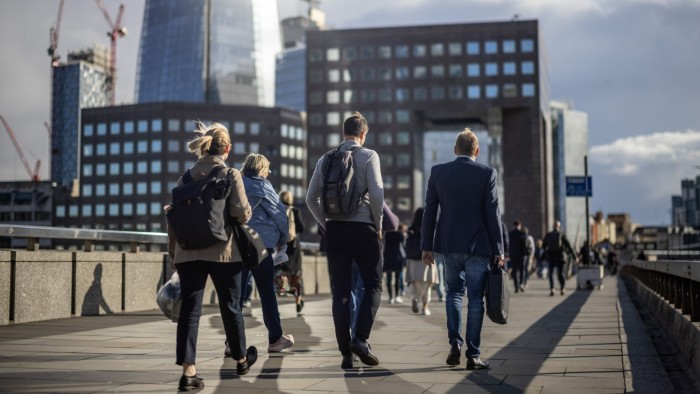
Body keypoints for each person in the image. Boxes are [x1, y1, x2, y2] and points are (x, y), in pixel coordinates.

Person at [167, 122, 257, 390]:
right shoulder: (230, 174)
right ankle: (241, 359)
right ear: (227, 148)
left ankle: (189, 373)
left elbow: (175, 215)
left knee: (189, 312)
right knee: (230, 306)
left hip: (187, 251)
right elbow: (242, 213)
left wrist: (174, 253)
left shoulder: (186, 177)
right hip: (223, 252)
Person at [306, 111, 384, 369]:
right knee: (373, 283)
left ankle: (345, 355)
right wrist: (378, 224)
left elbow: (310, 199)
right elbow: (376, 194)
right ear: (363, 134)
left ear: (344, 132)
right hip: (363, 229)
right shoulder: (369, 155)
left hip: (335, 231)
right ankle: (360, 339)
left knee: (340, 293)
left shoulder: (326, 158)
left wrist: (325, 223)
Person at [421, 128, 504, 371]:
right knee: (476, 299)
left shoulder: (439, 172)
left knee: (454, 293)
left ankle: (455, 342)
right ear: (477, 151)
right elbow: (493, 213)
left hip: (449, 246)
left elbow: (429, 212)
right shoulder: (487, 173)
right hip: (478, 246)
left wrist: (427, 246)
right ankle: (473, 354)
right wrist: (498, 248)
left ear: (455, 150)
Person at [238, 153, 295, 353]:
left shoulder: (236, 183)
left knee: (235, 296)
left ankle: (232, 343)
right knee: (267, 294)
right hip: (261, 247)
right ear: (262, 169)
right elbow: (280, 215)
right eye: (267, 170)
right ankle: (275, 339)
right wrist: (283, 239)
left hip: (238, 245)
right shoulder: (263, 186)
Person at [405, 207, 438, 316]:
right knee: (427, 284)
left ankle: (415, 297)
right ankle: (425, 308)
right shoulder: (429, 229)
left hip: (413, 260)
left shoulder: (411, 230)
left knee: (415, 283)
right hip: (426, 259)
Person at [278, 190, 306, 314]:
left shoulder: (277, 211)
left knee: (281, 274)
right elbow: (302, 228)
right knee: (296, 276)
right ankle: (298, 302)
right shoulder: (295, 211)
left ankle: (276, 303)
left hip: (281, 246)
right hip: (294, 246)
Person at [542, 220, 578, 296]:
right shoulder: (561, 234)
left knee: (551, 274)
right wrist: (575, 256)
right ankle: (562, 288)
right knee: (560, 274)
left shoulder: (548, 235)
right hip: (560, 257)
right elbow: (569, 246)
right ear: (559, 226)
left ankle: (552, 289)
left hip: (551, 257)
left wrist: (546, 254)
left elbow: (543, 246)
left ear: (553, 226)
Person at [383, 225, 406, 304]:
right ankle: (397, 296)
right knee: (397, 278)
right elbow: (402, 246)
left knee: (389, 279)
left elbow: (384, 246)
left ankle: (390, 298)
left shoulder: (387, 234)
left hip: (388, 257)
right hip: (397, 257)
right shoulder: (400, 234)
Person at [508, 220, 528, 293]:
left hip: (513, 255)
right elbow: (525, 245)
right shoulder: (522, 234)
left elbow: (508, 244)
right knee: (522, 270)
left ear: (514, 225)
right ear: (519, 225)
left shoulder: (510, 234)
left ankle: (516, 286)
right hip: (521, 255)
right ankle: (521, 284)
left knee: (514, 271)